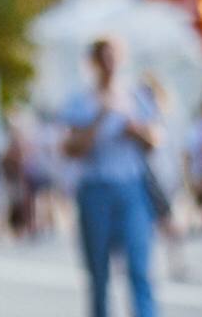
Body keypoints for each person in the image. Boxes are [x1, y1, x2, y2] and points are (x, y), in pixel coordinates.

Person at [61, 37, 161, 317]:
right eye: (103, 57)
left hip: (132, 186)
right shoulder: (82, 99)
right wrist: (99, 118)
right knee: (98, 271)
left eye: (114, 56)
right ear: (93, 62)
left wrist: (135, 130)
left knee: (139, 267)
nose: (109, 64)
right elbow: (71, 148)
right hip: (95, 187)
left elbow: (155, 140)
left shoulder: (137, 95)